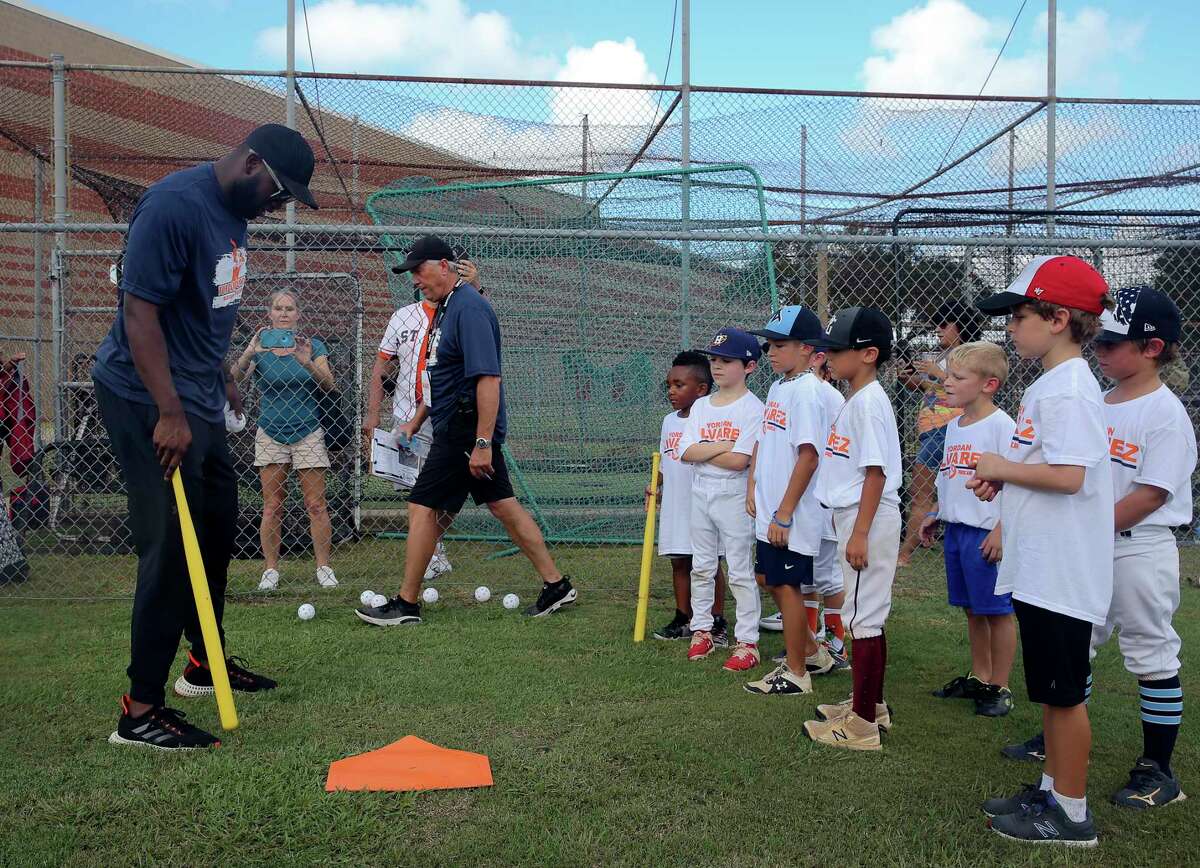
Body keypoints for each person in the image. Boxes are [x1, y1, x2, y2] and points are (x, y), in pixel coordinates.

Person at [92, 123, 318, 750]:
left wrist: (223, 379)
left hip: (198, 395)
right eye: (280, 191)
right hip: (146, 396)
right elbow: (138, 313)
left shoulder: (234, 215)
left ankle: (204, 662)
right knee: (169, 543)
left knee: (218, 520)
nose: (281, 206)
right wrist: (169, 411)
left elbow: (203, 310)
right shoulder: (174, 206)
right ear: (251, 164)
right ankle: (138, 711)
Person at [1002, 287, 1195, 810]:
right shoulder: (1095, 400)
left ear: (1153, 347)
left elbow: (1153, 493)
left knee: (1151, 651)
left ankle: (1159, 767)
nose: (1102, 351)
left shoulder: (1164, 413)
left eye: (1115, 343)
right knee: (1075, 648)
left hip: (1138, 548)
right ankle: (1060, 741)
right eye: (1100, 341)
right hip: (1082, 545)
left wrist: (1087, 531)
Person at [355, 236, 576, 625]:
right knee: (502, 504)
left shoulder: (470, 309)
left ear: (445, 265)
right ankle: (556, 584)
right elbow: (448, 376)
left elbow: (488, 380)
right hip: (456, 424)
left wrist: (482, 443)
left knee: (422, 504)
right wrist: (417, 420)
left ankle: (406, 604)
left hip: (466, 430)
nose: (416, 281)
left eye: (420, 271)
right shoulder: (447, 307)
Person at [972, 256, 1114, 847]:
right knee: (1052, 693)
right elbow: (1046, 466)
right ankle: (1053, 789)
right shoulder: (1051, 383)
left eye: (1020, 314)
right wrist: (1009, 475)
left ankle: (1072, 814)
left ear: (1058, 318)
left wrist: (1002, 465)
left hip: (1063, 567)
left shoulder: (1072, 388)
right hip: (1040, 563)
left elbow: (1071, 474)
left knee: (1064, 695)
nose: (1011, 326)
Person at [803, 306, 902, 751]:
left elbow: (876, 474)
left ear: (869, 354)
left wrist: (860, 533)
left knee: (863, 617)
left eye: (838, 350)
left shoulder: (870, 403)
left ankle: (862, 726)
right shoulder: (857, 399)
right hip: (857, 513)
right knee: (864, 615)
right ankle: (871, 705)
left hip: (868, 514)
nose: (829, 357)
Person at [363, 259, 480, 583]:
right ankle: (430, 554)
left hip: (446, 414)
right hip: (406, 414)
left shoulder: (460, 312)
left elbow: (481, 338)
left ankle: (432, 546)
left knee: (452, 488)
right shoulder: (403, 316)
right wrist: (373, 415)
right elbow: (381, 367)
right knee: (417, 488)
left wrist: (475, 287)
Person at [742, 306, 836, 696]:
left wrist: (784, 513)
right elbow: (767, 441)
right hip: (771, 508)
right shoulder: (782, 386)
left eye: (780, 344)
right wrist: (754, 487)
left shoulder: (809, 393)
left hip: (791, 512)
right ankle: (813, 652)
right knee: (769, 577)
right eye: (769, 343)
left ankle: (797, 672)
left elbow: (809, 456)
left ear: (808, 349)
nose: (771, 351)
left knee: (786, 584)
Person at [919, 342, 1015, 718]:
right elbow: (952, 478)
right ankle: (980, 676)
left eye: (958, 377)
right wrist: (937, 513)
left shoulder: (1001, 426)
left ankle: (1001, 685)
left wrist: (1002, 530)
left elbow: (1015, 484)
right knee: (973, 610)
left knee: (997, 611)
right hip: (958, 531)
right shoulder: (955, 425)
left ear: (988, 384)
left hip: (985, 533)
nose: (948, 383)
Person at [230, 290, 339, 591]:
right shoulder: (261, 348)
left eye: (290, 308)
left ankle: (324, 567)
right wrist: (250, 352)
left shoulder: (312, 345)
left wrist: (306, 361)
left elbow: (329, 384)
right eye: (278, 308)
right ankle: (271, 570)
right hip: (271, 432)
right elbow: (233, 379)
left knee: (315, 504)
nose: (284, 313)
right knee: (272, 506)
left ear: (298, 314)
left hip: (308, 430)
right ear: (270, 313)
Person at [679, 328, 764, 671]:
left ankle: (748, 641)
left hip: (734, 494)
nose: (717, 366)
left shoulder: (754, 408)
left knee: (740, 570)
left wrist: (706, 451)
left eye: (726, 361)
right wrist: (723, 447)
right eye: (714, 359)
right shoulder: (701, 406)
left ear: (749, 366)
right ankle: (703, 630)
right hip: (701, 492)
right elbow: (685, 452)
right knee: (701, 565)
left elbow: (740, 461)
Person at [648, 350, 729, 643]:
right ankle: (684, 617)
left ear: (701, 389)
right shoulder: (669, 421)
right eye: (669, 384)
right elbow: (665, 462)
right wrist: (655, 485)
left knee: (707, 563)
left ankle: (716, 620)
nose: (671, 390)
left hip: (704, 503)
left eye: (679, 385)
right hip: (675, 505)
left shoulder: (710, 418)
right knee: (679, 561)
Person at [896, 303, 980, 566]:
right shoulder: (944, 355)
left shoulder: (969, 355)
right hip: (931, 429)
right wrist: (909, 376)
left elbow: (969, 388)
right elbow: (930, 390)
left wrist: (938, 373)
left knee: (920, 491)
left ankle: (904, 554)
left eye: (945, 324)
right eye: (937, 323)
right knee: (930, 490)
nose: (938, 329)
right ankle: (915, 544)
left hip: (946, 428)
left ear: (960, 327)